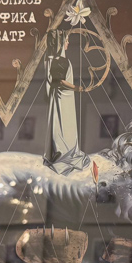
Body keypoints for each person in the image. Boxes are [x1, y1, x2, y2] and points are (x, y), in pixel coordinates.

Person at [43, 29, 90, 175]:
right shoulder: (60, 60)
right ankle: (64, 155)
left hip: (62, 97)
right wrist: (77, 88)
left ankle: (63, 153)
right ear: (60, 42)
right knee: (63, 125)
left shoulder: (50, 59)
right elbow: (60, 81)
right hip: (62, 97)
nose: (68, 43)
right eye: (66, 40)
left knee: (63, 124)